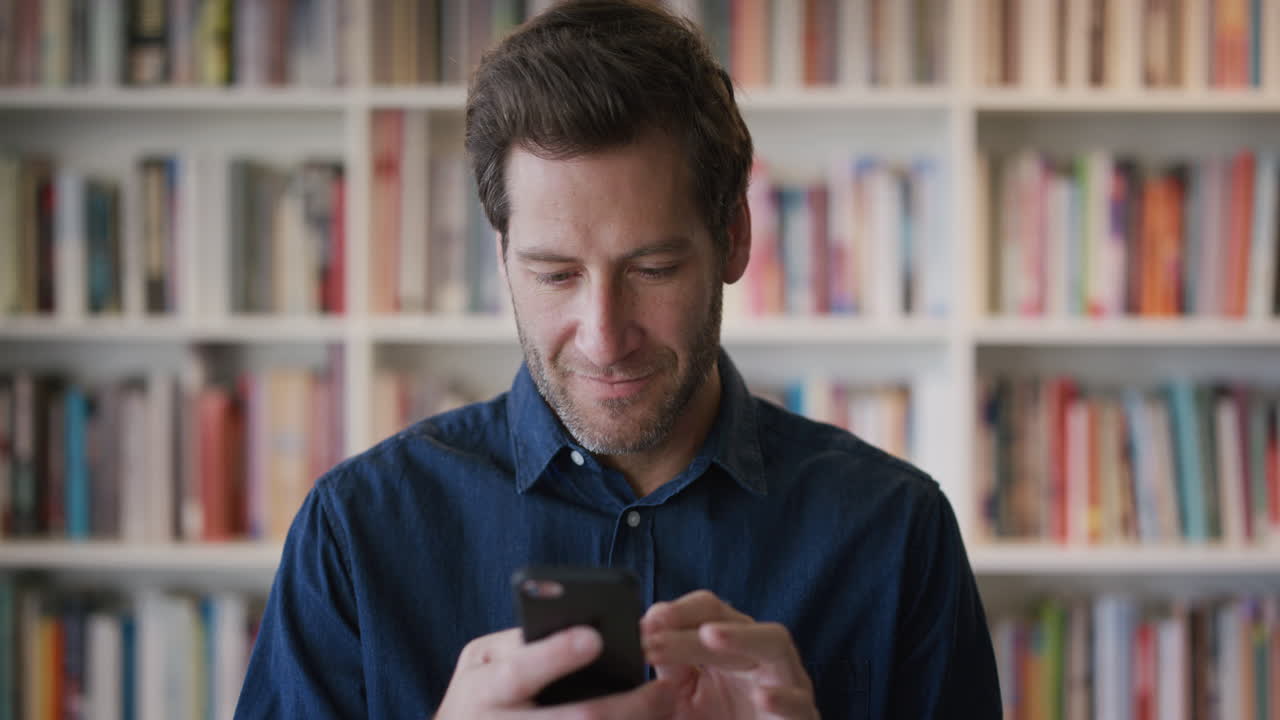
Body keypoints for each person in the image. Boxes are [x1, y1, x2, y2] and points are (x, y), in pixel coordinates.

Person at [235, 1, 1002, 717]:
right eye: (555, 274)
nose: (603, 337)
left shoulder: (897, 532)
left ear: (734, 237)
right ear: (501, 257)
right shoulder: (354, 533)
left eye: (654, 270)